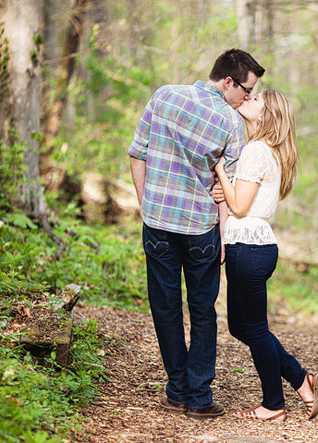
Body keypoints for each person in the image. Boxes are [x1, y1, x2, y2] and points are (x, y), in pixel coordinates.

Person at [128, 49, 265, 419]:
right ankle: (199, 398)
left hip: (157, 223)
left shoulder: (163, 95)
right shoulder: (232, 124)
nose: (248, 98)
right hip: (201, 228)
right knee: (203, 311)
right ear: (228, 82)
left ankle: (176, 391)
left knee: (165, 307)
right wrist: (223, 234)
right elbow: (228, 186)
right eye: (246, 90)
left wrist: (147, 204)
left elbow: (137, 154)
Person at [212, 89, 318, 421]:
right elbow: (240, 200)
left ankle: (274, 404)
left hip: (249, 248)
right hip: (252, 246)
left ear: (266, 115)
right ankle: (300, 377)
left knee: (255, 329)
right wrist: (227, 189)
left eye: (256, 99)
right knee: (239, 327)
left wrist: (219, 171)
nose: (248, 99)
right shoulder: (266, 150)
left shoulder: (257, 150)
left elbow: (240, 205)